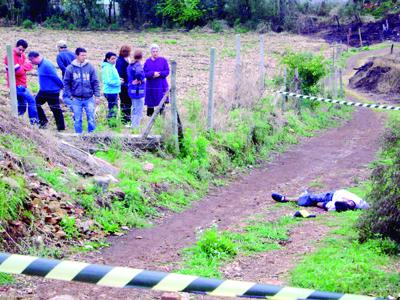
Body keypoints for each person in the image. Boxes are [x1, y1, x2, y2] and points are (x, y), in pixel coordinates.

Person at [63, 47, 100, 134]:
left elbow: (95, 81)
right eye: (82, 55)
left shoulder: (90, 67)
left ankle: (91, 136)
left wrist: (97, 95)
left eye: (85, 55)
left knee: (91, 118)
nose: (84, 57)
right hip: (76, 98)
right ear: (77, 56)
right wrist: (70, 95)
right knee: (77, 119)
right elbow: (66, 83)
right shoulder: (70, 68)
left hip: (89, 98)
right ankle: (78, 136)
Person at [4, 39, 39, 125]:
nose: (21, 51)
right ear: (16, 46)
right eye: (20, 49)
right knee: (31, 101)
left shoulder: (22, 55)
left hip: (22, 84)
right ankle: (34, 122)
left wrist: (22, 67)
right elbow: (17, 72)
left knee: (22, 104)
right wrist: (24, 67)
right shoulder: (10, 56)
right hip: (17, 85)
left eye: (23, 50)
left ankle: (17, 122)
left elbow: (29, 65)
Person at [28, 51, 65, 131]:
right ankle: (43, 122)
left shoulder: (46, 65)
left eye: (31, 60)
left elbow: (55, 77)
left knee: (55, 109)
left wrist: (62, 86)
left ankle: (61, 128)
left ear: (35, 58)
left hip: (52, 91)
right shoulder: (40, 64)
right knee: (35, 104)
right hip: (43, 91)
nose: (31, 62)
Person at [271, 189, 370, 212]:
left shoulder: (334, 206)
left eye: (345, 201)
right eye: (347, 200)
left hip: (330, 197)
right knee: (311, 198)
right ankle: (306, 195)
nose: (346, 200)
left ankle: (285, 199)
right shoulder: (360, 203)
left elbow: (320, 204)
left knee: (310, 200)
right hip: (334, 193)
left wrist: (315, 204)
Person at [143, 44, 170, 116]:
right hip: (151, 85)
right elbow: (144, 73)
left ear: (158, 52)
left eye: (156, 51)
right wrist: (152, 74)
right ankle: (150, 119)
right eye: (153, 51)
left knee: (161, 101)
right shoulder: (147, 61)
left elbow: (167, 71)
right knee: (150, 102)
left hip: (161, 84)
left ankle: (162, 119)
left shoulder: (163, 60)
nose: (155, 53)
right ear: (151, 52)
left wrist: (160, 74)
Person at [101, 52, 122, 125]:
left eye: (115, 59)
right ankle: (111, 124)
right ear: (107, 59)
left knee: (113, 108)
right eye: (112, 59)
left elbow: (112, 78)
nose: (114, 60)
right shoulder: (107, 68)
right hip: (110, 91)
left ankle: (111, 123)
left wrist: (118, 79)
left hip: (113, 91)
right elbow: (108, 81)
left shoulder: (111, 66)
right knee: (113, 109)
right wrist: (119, 82)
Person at [127, 49, 145, 129]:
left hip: (131, 89)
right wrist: (139, 80)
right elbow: (138, 73)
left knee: (134, 108)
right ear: (141, 57)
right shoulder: (138, 65)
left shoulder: (130, 65)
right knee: (138, 109)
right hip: (138, 91)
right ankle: (135, 127)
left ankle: (133, 125)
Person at [116, 45, 131, 125]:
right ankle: (124, 121)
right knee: (125, 103)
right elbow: (120, 75)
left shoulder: (127, 60)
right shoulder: (120, 61)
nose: (126, 53)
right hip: (123, 86)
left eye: (127, 51)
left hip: (128, 85)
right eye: (124, 51)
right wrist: (126, 84)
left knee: (128, 103)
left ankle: (127, 119)